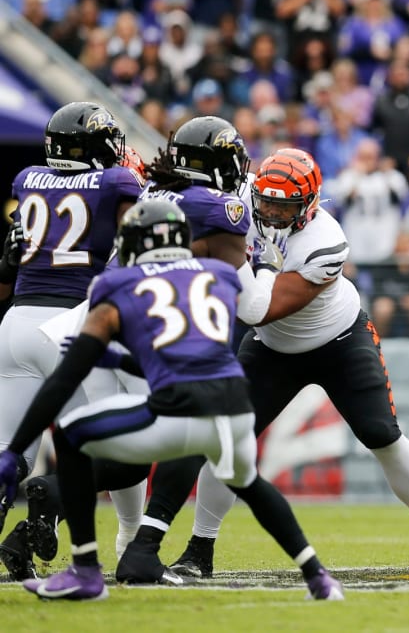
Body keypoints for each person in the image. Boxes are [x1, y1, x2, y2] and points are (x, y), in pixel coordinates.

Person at [0, 199, 343, 601]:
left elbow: (64, 379)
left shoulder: (117, 285)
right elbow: (193, 351)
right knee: (247, 481)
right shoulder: (219, 274)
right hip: (231, 409)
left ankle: (86, 571)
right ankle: (318, 577)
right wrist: (265, 268)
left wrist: (14, 451)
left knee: (73, 433)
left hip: (175, 412)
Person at [173, 148, 409, 575]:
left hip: (338, 339)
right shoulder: (240, 199)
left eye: (285, 205)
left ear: (309, 205)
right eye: (268, 201)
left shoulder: (325, 242)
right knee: (228, 441)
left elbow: (261, 309)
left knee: (381, 434)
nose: (273, 212)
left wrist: (252, 265)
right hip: (272, 347)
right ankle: (199, 550)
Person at [111, 115, 279, 584]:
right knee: (199, 435)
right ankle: (142, 545)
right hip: (155, 334)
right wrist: (264, 264)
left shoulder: (152, 193)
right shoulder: (217, 206)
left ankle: (51, 511)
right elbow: (253, 308)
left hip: (103, 321)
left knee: (127, 451)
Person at [0, 102, 147, 581]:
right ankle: (120, 538)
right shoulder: (115, 183)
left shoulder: (27, 180)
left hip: (17, 323)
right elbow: (136, 243)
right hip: (73, 326)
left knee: (8, 453)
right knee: (116, 449)